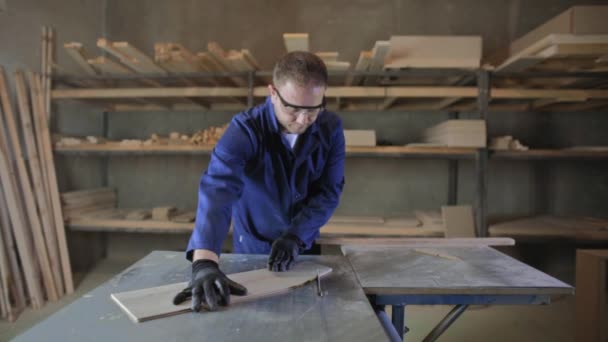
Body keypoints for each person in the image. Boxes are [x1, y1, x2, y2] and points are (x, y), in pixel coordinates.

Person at [173, 51, 346, 312]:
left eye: (312, 110)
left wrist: (296, 237)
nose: (302, 120)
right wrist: (204, 262)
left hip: (303, 245)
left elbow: (329, 192)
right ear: (273, 93)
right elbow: (218, 189)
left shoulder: (330, 128)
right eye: (292, 109)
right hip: (252, 249)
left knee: (308, 319)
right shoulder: (245, 129)